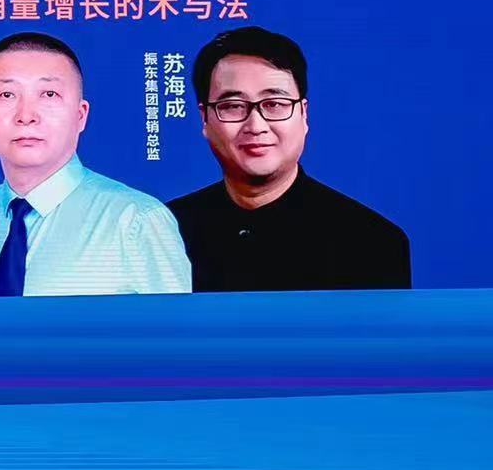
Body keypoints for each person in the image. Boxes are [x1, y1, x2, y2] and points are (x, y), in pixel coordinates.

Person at [0, 32, 191, 298]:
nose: (26, 115)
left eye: (49, 94)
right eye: (7, 94)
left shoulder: (135, 221)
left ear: (80, 115)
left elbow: (176, 328)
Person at [167, 27, 411, 292]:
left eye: (274, 104)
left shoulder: (371, 241)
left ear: (304, 114)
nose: (256, 126)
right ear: (204, 118)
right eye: (233, 106)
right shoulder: (164, 230)